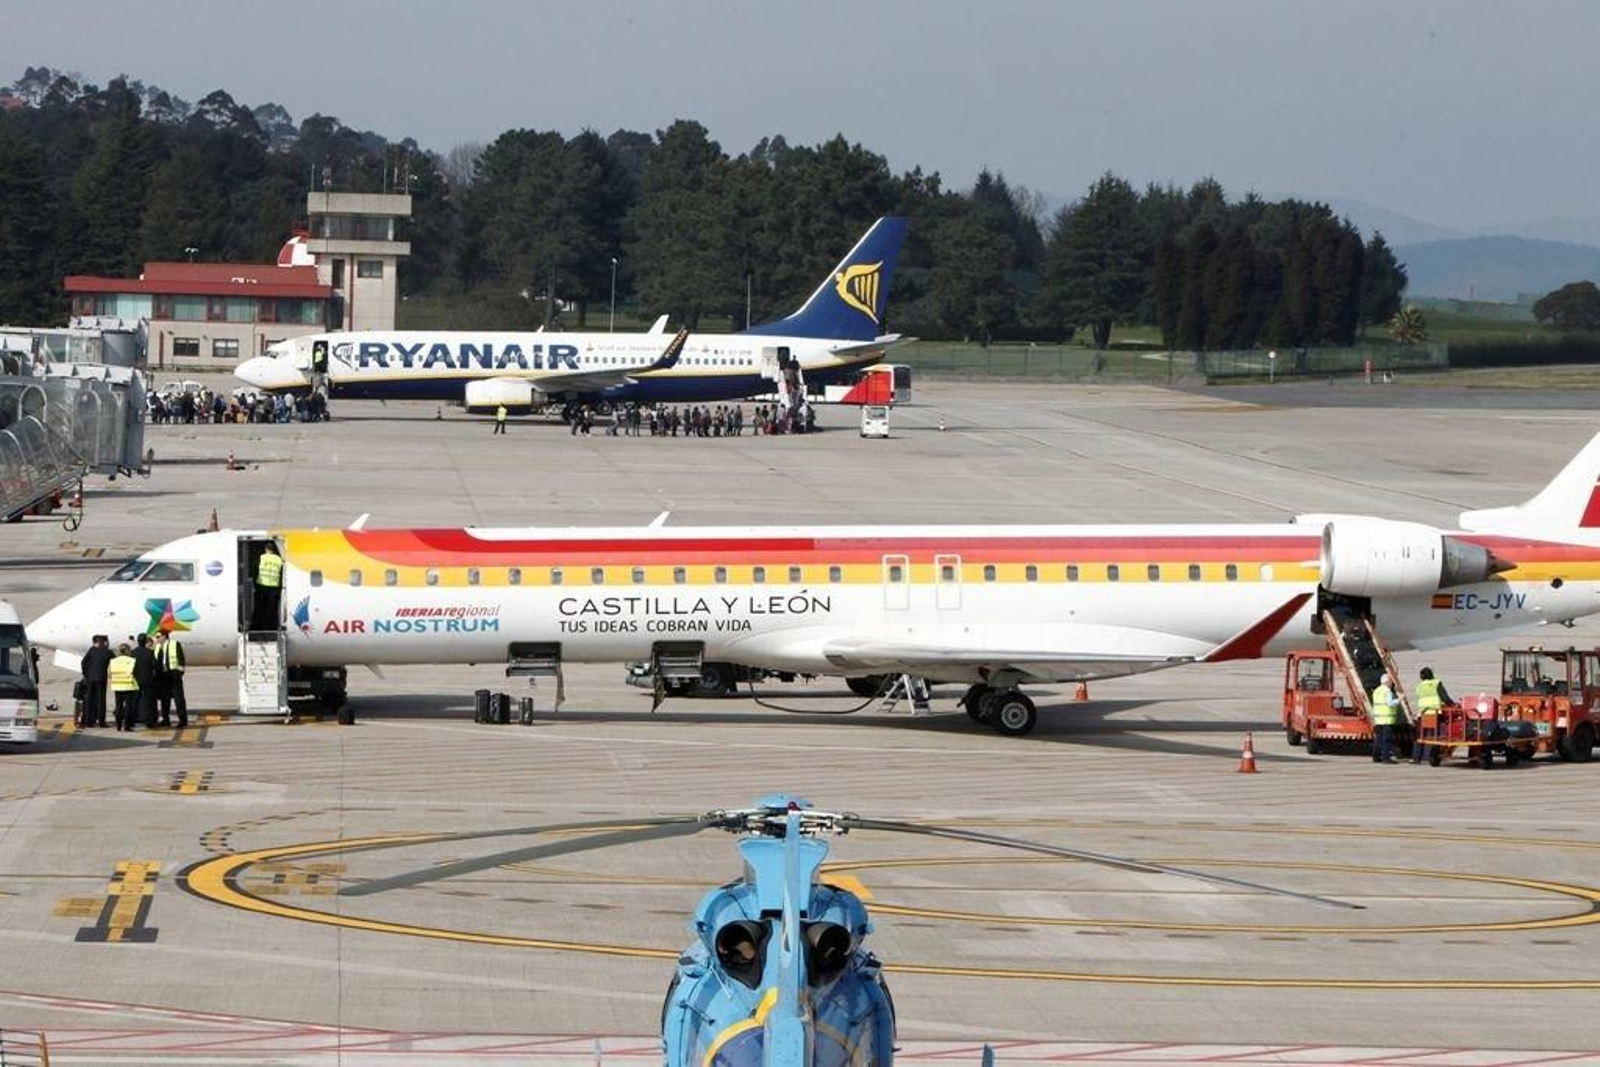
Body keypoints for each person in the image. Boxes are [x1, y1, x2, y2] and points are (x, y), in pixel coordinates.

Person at [1410, 666, 1451, 764]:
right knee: (1434, 736)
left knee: (1420, 736)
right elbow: (1444, 697)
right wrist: (1452, 704)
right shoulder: (1436, 683)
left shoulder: (1419, 687)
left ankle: (1416, 758)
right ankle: (1429, 756)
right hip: (1435, 713)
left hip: (1423, 713)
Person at [154, 631, 188, 729]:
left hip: (173, 674)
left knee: (178, 698)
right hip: (163, 676)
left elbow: (181, 659)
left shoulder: (175, 644)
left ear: (164, 636)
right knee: (164, 699)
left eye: (158, 636)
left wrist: (179, 673)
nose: (157, 639)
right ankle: (165, 719)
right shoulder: (157, 647)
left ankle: (182, 720)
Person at [79, 634, 112, 728]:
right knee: (101, 700)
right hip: (101, 679)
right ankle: (101, 721)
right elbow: (115, 660)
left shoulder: (92, 650)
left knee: (89, 699)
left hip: (90, 678)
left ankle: (88, 721)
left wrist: (86, 674)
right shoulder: (108, 652)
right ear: (104, 642)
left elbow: (83, 662)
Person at [1370, 673, 1401, 763]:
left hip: (1378, 720)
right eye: (1391, 681)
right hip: (1387, 719)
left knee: (1378, 739)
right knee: (1386, 739)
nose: (1391, 683)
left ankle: (1376, 757)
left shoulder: (1376, 691)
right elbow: (1390, 703)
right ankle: (1386, 758)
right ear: (1388, 682)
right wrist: (1399, 700)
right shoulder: (1387, 691)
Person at [109, 643, 139, 732]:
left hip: (117, 686)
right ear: (128, 651)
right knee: (128, 707)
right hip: (129, 686)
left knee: (118, 706)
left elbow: (109, 674)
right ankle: (127, 726)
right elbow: (136, 672)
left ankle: (118, 726)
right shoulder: (132, 660)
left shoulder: (113, 661)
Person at [254, 544, 284, 631]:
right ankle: (268, 627)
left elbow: (255, 569)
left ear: (266, 549)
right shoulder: (279, 559)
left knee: (259, 607)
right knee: (270, 609)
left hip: (261, 586)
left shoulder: (261, 557)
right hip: (274, 587)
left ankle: (257, 626)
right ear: (274, 550)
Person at [132, 634, 158, 728]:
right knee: (149, 701)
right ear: (145, 641)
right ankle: (150, 721)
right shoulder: (149, 652)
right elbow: (155, 665)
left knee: (135, 700)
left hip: (136, 679)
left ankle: (132, 719)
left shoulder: (133, 652)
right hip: (147, 679)